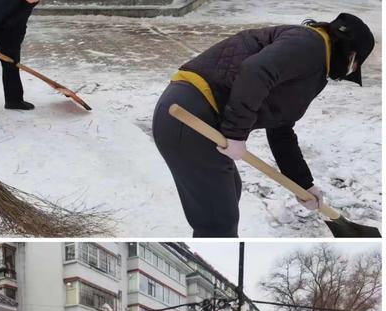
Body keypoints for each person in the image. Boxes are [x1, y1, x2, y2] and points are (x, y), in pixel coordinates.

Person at [152, 13, 375, 237]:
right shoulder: (309, 45)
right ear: (349, 52)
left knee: (229, 196)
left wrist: (303, 184)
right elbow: (256, 71)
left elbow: (281, 127)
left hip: (200, 117)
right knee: (218, 222)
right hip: (190, 115)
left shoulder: (314, 64)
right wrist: (236, 133)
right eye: (354, 65)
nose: (350, 72)